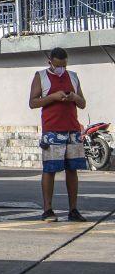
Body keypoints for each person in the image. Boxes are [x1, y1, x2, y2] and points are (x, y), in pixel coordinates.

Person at [29, 47, 88, 222]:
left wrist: (74, 98)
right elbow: (32, 102)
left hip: (73, 130)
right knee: (50, 169)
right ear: (50, 62)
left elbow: (83, 103)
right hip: (52, 130)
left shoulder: (74, 77)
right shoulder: (41, 76)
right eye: (57, 65)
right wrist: (53, 97)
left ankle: (73, 210)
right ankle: (48, 210)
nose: (61, 68)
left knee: (72, 169)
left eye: (64, 65)